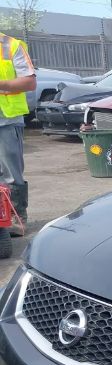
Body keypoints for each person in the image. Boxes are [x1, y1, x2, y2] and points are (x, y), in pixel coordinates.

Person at [0, 32, 36, 237]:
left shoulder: (10, 45)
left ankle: (17, 217)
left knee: (11, 174)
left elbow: (29, 83)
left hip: (6, 119)